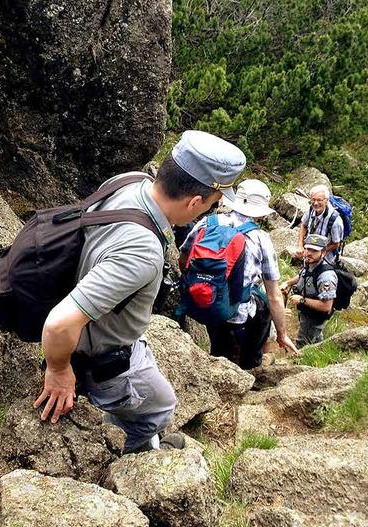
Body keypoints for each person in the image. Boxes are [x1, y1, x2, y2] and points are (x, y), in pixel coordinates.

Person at [35, 130, 241, 454]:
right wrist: (59, 370)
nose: (207, 213)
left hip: (89, 308)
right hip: (102, 356)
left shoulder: (129, 182)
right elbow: (59, 324)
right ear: (195, 202)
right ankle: (137, 453)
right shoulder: (143, 252)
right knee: (161, 408)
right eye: (212, 206)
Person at [179, 179, 298, 369]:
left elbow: (184, 257)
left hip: (201, 300)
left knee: (219, 347)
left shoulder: (207, 222)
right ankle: (253, 361)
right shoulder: (261, 239)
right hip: (236, 313)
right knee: (264, 305)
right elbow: (274, 295)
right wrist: (282, 335)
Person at [284, 233, 337, 347]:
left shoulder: (326, 276)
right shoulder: (310, 263)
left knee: (302, 344)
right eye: (307, 248)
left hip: (314, 317)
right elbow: (303, 275)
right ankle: (319, 350)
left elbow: (326, 306)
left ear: (323, 253)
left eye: (314, 250)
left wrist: (302, 300)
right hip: (306, 312)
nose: (308, 253)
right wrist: (288, 283)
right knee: (315, 340)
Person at [296, 184, 343, 264]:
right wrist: (300, 246)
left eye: (319, 200)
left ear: (326, 201)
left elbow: (336, 243)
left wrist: (319, 253)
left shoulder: (335, 220)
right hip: (309, 252)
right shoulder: (310, 210)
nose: (315, 203)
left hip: (326, 258)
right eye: (313, 200)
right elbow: (303, 225)